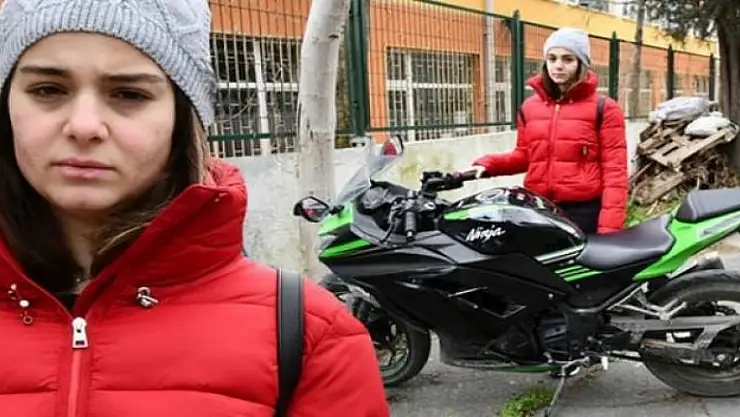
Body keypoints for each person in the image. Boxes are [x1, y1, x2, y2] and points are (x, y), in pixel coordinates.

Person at [0, 0, 389, 416]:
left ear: (183, 119)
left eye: (129, 94)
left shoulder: (308, 335)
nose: (83, 125)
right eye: (47, 90)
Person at [464, 28, 628, 235]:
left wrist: (609, 231)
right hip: (539, 210)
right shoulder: (529, 108)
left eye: (568, 59)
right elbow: (526, 156)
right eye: (552, 58)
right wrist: (489, 164)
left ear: (582, 63)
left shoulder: (605, 108)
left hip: (583, 213)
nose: (558, 65)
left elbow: (615, 174)